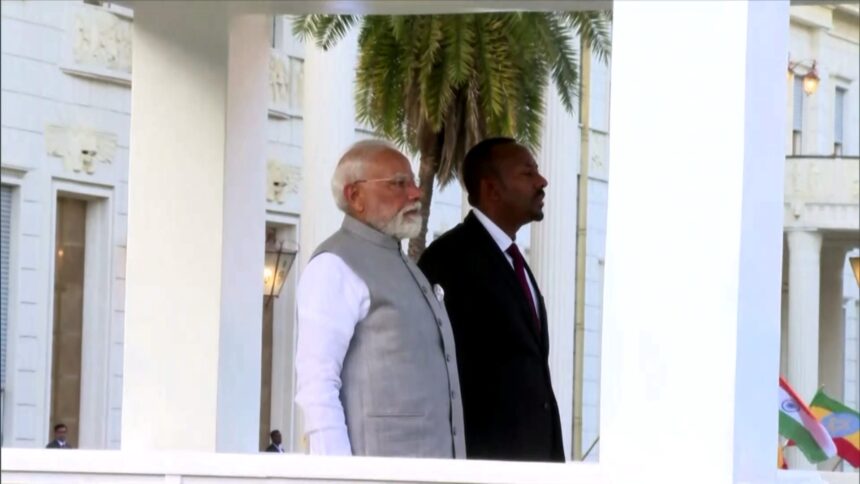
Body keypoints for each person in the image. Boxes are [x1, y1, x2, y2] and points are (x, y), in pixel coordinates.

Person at [295, 139, 465, 458]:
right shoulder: (335, 264)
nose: (415, 193)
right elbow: (317, 385)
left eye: (413, 183)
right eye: (399, 184)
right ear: (355, 196)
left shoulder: (404, 266)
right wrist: (338, 478)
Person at [418, 137, 564, 462]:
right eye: (527, 174)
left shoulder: (515, 260)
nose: (542, 182)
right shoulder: (449, 260)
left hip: (536, 464)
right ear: (492, 189)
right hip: (486, 464)